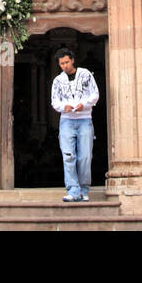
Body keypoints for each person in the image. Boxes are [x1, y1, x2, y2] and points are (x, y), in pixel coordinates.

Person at [50, 48, 100, 202]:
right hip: (66, 120)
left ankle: (84, 189)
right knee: (68, 156)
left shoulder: (85, 74)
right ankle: (72, 190)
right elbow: (55, 101)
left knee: (85, 156)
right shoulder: (58, 80)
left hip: (84, 119)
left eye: (66, 62)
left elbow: (95, 94)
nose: (64, 66)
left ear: (72, 60)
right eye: (61, 64)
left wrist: (83, 105)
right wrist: (62, 107)